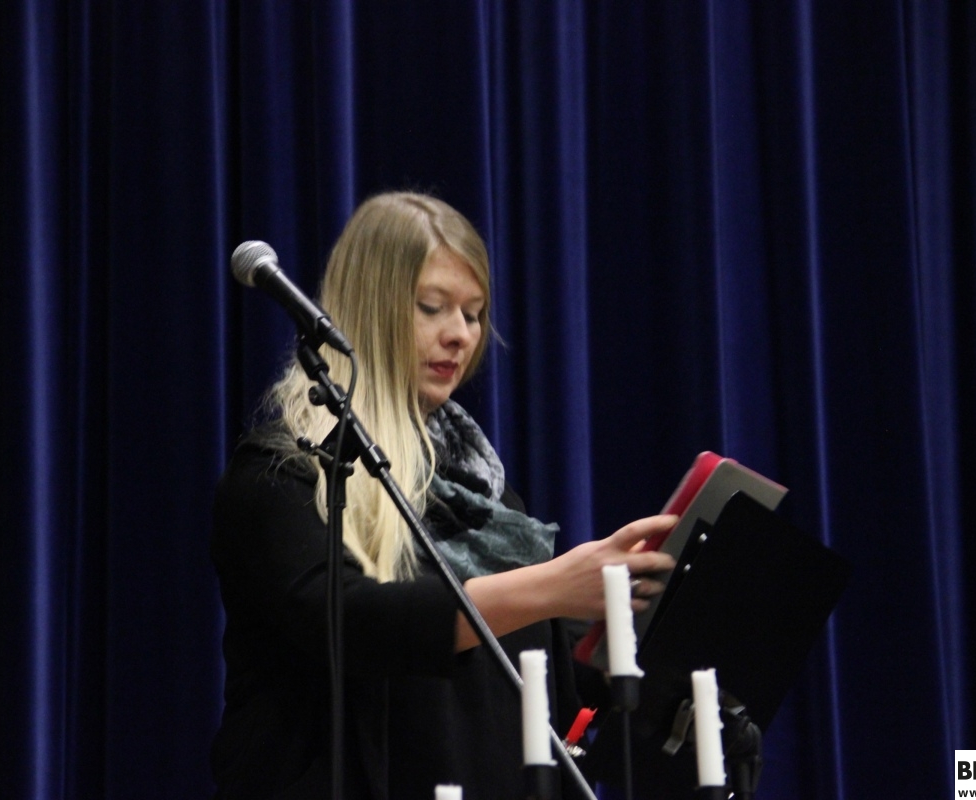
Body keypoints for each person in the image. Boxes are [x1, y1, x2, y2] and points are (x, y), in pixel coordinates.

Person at [210, 191, 676, 799]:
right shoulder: (284, 471)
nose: (460, 334)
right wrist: (553, 585)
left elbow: (552, 681)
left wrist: (625, 610)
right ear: (370, 308)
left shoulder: (485, 493)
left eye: (474, 314)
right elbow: (350, 624)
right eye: (432, 307)